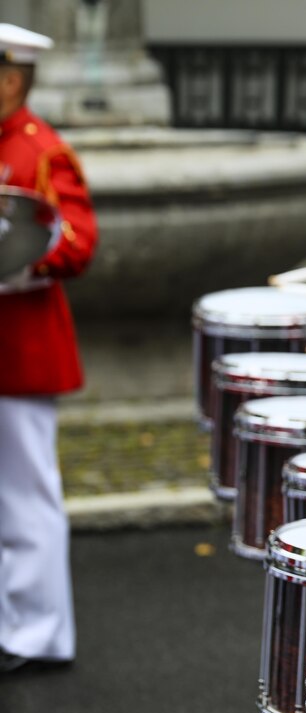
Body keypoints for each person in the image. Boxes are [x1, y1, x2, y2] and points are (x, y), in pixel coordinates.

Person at [0, 23, 98, 673]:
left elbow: (78, 240)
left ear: (11, 78)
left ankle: (37, 634)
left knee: (26, 495)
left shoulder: (42, 150)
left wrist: (25, 258)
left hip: (20, 343)